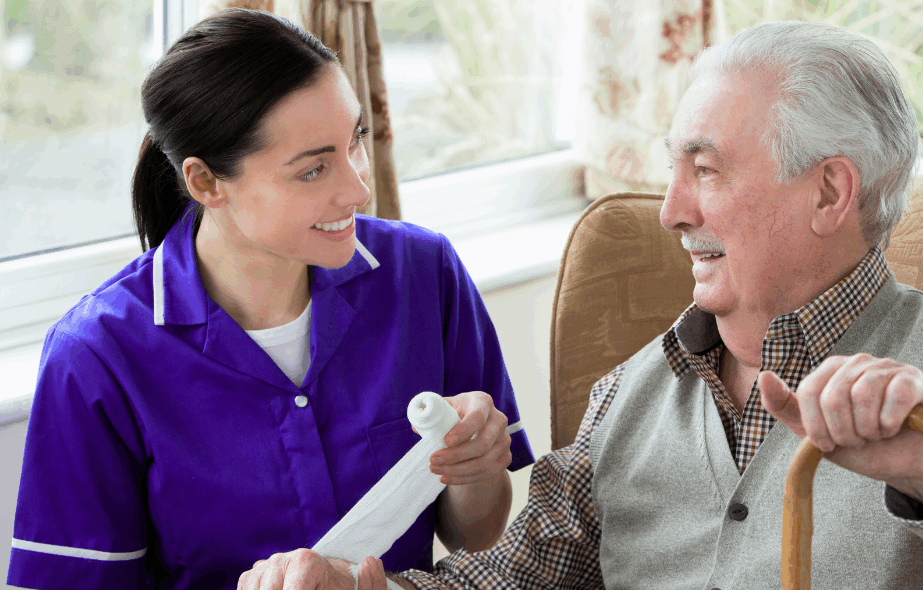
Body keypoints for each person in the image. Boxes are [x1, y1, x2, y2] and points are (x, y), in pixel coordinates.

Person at [239, 20, 923, 590]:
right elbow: (516, 577)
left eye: (707, 170)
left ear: (830, 192)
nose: (672, 213)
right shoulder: (630, 393)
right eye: (673, 170)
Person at [6, 9, 535, 590]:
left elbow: (474, 536)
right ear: (206, 182)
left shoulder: (425, 275)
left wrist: (476, 470)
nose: (359, 188)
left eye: (356, 139)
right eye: (313, 171)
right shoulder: (96, 356)